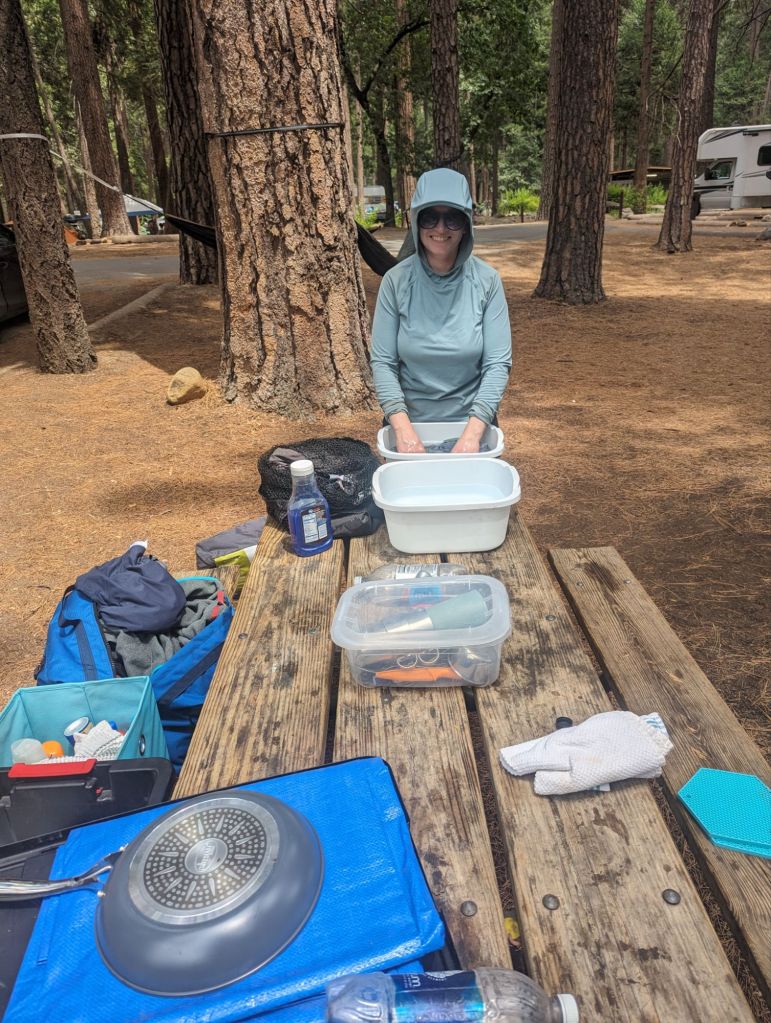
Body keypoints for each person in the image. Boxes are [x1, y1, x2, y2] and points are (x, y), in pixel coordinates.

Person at [370, 167, 512, 453]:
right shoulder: (395, 282)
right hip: (409, 427)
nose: (440, 228)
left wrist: (472, 436)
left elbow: (497, 364)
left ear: (467, 224)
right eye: (430, 217)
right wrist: (403, 429)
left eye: (453, 218)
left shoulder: (487, 282)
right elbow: (383, 363)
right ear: (416, 221)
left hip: (474, 424)